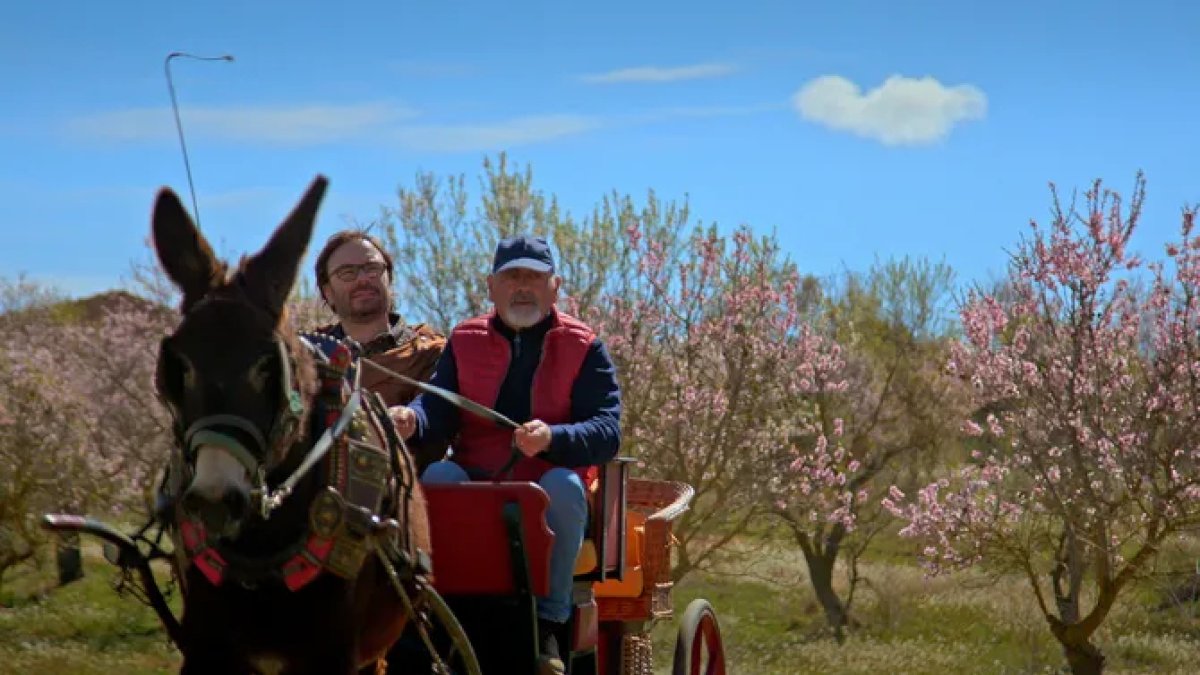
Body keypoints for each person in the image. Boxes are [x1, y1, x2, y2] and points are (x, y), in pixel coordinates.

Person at [390, 234, 622, 675]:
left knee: (565, 488)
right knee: (438, 478)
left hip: (550, 483)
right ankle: (444, 616)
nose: (522, 287)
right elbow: (437, 408)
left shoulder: (585, 346)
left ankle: (551, 624)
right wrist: (412, 419)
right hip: (478, 479)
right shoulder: (464, 339)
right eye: (511, 276)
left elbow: (608, 431)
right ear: (491, 287)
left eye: (533, 278)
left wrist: (553, 438)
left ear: (555, 287)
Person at [309, 229, 448, 471]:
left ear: (389, 279)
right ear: (327, 291)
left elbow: (439, 423)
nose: (363, 279)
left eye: (372, 268)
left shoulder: (431, 351)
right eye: (347, 273)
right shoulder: (309, 356)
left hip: (406, 491)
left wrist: (410, 421)